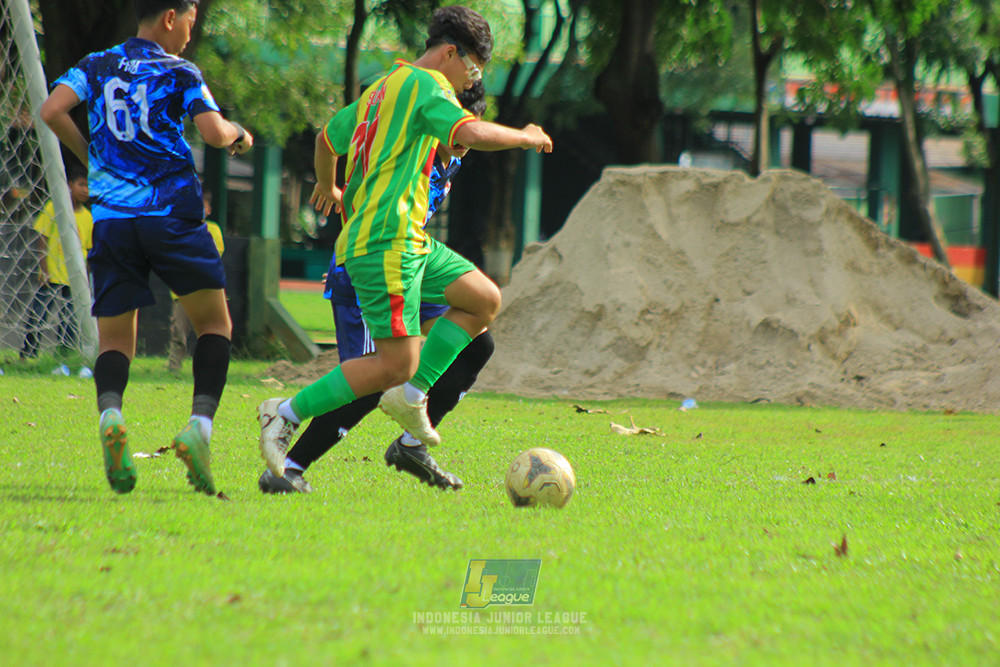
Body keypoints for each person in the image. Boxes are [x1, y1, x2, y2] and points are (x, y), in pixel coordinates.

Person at [256, 5, 553, 480]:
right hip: (383, 243)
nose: (468, 82)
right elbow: (468, 130)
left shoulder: (383, 88)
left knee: (483, 301)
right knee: (389, 366)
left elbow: (326, 138)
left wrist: (330, 185)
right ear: (451, 53)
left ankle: (412, 403)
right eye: (472, 69)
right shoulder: (427, 85)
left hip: (405, 241)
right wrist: (525, 136)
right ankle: (286, 416)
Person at [40, 0, 253, 495]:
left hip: (112, 223)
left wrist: (94, 159)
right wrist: (239, 134)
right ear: (171, 18)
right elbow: (213, 132)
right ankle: (199, 429)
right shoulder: (180, 70)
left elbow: (52, 110)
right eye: (190, 26)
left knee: (115, 342)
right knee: (215, 325)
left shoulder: (97, 63)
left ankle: (111, 415)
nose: (188, 39)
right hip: (172, 218)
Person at [258, 82, 493, 494]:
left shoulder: (448, 158)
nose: (463, 144)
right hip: (370, 267)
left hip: (412, 263)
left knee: (478, 343)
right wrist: (337, 213)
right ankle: (288, 468)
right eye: (458, 133)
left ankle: (411, 444)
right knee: (377, 376)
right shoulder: (404, 145)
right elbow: (337, 157)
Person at [21, 163, 93, 359]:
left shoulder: (88, 217)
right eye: (81, 184)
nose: (85, 190)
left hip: (74, 279)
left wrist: (84, 277)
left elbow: (87, 250)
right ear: (69, 185)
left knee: (69, 320)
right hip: (51, 275)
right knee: (38, 315)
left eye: (88, 186)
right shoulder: (54, 208)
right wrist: (43, 270)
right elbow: (42, 239)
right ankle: (27, 355)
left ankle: (63, 357)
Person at [167, 190, 225, 372]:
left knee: (209, 332)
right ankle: (173, 368)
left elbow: (215, 254)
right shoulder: (178, 228)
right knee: (178, 333)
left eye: (202, 206)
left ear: (209, 209)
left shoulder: (213, 230)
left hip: (206, 290)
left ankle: (207, 368)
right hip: (181, 292)